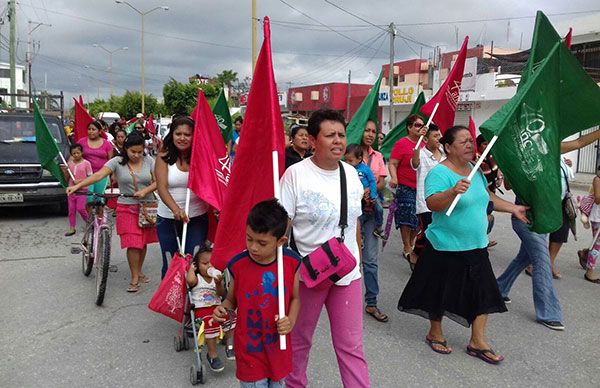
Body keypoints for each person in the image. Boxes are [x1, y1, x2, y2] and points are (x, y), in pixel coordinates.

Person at [398, 126, 528, 364]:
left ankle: (477, 341)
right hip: (445, 245)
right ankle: (434, 332)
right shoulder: (440, 173)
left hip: (476, 245)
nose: (470, 145)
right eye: (463, 141)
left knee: (485, 291)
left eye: (471, 141)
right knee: (438, 291)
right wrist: (452, 191)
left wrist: (513, 208)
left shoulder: (474, 170)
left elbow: (487, 197)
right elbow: (433, 203)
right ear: (448, 147)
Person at [280, 109, 370, 387]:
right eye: (330, 135)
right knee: (299, 340)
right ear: (312, 140)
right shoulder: (295, 175)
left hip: (347, 273)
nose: (338, 141)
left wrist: (358, 260)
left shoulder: (351, 174)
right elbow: (283, 228)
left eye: (341, 135)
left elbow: (354, 220)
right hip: (308, 274)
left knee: (351, 346)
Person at [498, 130, 600, 330]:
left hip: (545, 218)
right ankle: (548, 313)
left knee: (524, 258)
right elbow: (509, 186)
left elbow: (579, 142)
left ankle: (498, 289)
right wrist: (508, 165)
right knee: (542, 261)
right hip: (525, 218)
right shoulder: (517, 156)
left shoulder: (549, 149)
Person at [212, 199, 300, 388]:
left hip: (278, 347)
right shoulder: (238, 265)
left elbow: (295, 299)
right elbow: (230, 300)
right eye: (249, 238)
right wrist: (222, 309)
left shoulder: (291, 263)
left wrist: (290, 321)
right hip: (249, 348)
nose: (253, 247)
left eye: (262, 243)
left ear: (281, 241)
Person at [67, 133, 158, 293]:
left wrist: (146, 191)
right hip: (126, 207)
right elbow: (98, 175)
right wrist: (76, 187)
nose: (137, 155)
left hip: (146, 207)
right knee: (133, 243)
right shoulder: (116, 162)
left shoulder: (149, 161)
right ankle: (134, 277)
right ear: (125, 149)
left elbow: (159, 181)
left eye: (139, 151)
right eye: (133, 152)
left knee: (142, 243)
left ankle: (139, 270)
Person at [155, 116, 210, 279]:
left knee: (194, 263)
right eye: (178, 134)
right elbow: (161, 187)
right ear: (172, 135)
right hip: (168, 218)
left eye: (187, 134)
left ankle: (193, 302)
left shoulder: (202, 157)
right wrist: (176, 210)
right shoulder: (163, 156)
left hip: (197, 218)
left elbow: (211, 184)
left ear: (194, 136)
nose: (182, 138)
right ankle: (170, 301)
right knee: (170, 263)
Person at [388, 114, 427, 269]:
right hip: (405, 186)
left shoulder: (425, 144)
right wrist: (394, 177)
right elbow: (393, 163)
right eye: (417, 125)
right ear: (409, 127)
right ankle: (406, 245)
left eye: (422, 125)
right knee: (406, 217)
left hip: (422, 187)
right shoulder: (401, 144)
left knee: (419, 220)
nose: (420, 128)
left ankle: (411, 242)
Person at [186, 245, 227, 372]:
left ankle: (230, 346)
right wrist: (191, 270)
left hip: (217, 307)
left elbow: (221, 294)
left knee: (231, 317)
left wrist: (219, 283)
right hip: (202, 309)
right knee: (210, 321)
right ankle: (212, 354)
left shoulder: (216, 279)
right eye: (205, 263)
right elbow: (190, 281)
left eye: (212, 263)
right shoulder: (197, 278)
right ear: (197, 265)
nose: (209, 266)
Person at [411, 124, 444, 260]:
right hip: (426, 203)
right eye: (435, 136)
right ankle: (417, 254)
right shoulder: (421, 154)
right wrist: (418, 138)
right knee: (429, 233)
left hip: (444, 200)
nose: (439, 138)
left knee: (440, 232)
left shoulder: (445, 153)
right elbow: (415, 163)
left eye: (439, 135)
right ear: (425, 139)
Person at [78, 120, 114, 209]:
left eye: (93, 129)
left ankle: (100, 220)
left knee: (99, 200)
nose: (90, 131)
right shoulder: (81, 142)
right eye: (89, 129)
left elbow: (111, 161)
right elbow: (74, 156)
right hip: (86, 176)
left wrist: (112, 175)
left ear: (99, 131)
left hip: (102, 175)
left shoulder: (107, 144)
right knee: (88, 199)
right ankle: (89, 220)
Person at [360, 120, 386, 239]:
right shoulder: (349, 155)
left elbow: (382, 183)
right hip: (354, 210)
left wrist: (370, 191)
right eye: (367, 130)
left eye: (373, 132)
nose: (370, 134)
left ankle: (379, 228)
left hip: (372, 208)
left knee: (370, 256)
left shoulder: (378, 156)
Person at [475, 134, 503, 247]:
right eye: (484, 144)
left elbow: (498, 168)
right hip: (480, 194)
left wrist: (499, 177)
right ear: (478, 145)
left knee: (488, 215)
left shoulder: (491, 156)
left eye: (488, 144)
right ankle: (480, 241)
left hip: (492, 192)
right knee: (482, 218)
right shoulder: (474, 158)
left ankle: (484, 239)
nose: (487, 146)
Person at [63, 144, 92, 236]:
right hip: (71, 190)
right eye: (73, 153)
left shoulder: (86, 163)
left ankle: (89, 222)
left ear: (82, 152)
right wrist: (65, 171)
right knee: (71, 209)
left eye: (78, 153)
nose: (76, 155)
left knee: (80, 208)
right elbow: (66, 178)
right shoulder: (70, 164)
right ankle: (72, 228)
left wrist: (80, 181)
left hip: (82, 190)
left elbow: (90, 177)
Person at [579, 166, 600, 284]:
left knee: (597, 243)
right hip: (598, 217)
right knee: (597, 244)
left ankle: (585, 254)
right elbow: (597, 199)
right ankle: (589, 271)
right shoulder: (597, 179)